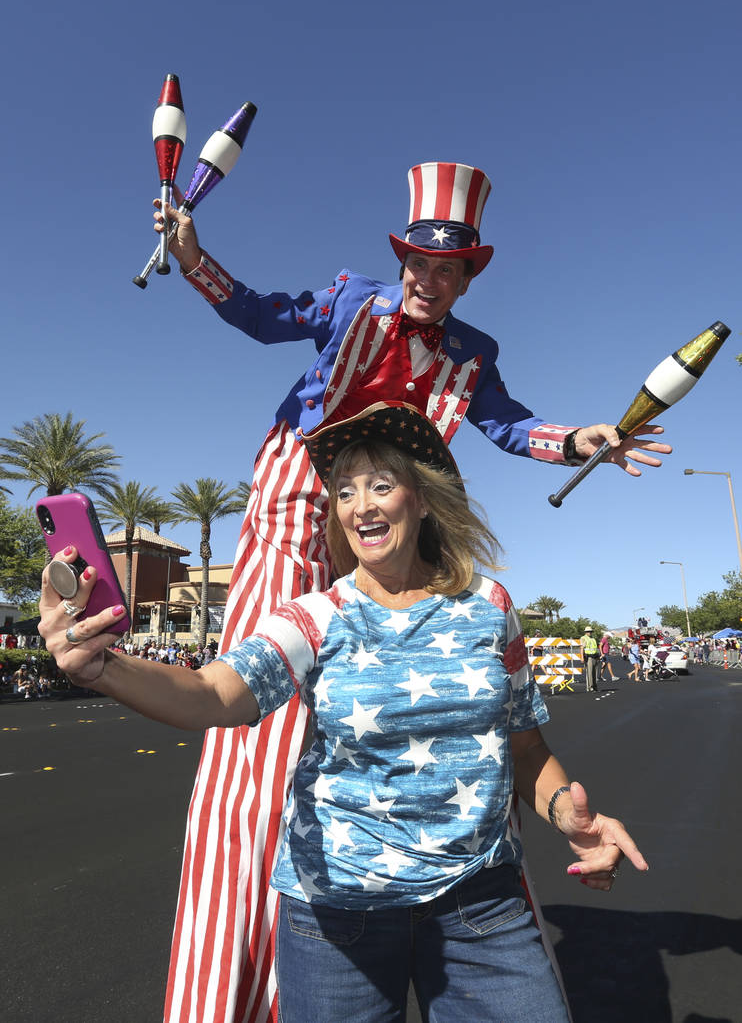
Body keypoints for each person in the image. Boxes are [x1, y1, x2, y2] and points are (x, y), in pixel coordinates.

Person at [153, 161, 670, 1022]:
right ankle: (235, 981)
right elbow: (261, 314)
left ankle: (468, 899)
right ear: (401, 262)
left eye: (447, 268)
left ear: (469, 275)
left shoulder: (473, 354)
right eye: (418, 264)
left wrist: (582, 440)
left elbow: (509, 425)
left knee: (459, 691)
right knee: (258, 734)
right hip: (298, 498)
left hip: (404, 518)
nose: (428, 280)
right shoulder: (350, 300)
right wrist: (195, 254)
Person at [39, 404, 648, 1023]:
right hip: (336, 921)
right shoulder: (313, 616)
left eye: (382, 485)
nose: (362, 505)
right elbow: (212, 695)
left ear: (425, 500)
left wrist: (572, 817)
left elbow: (525, 748)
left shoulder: (491, 606)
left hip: (481, 909)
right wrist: (101, 667)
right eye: (345, 491)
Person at [579, 626, 600, 693]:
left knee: (594, 673)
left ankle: (594, 686)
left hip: (595, 657)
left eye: (590, 631)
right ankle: (590, 687)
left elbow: (595, 649)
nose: (589, 633)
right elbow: (582, 648)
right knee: (590, 672)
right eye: (588, 631)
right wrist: (582, 657)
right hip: (589, 657)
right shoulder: (583, 638)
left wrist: (598, 657)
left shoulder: (593, 639)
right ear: (585, 632)